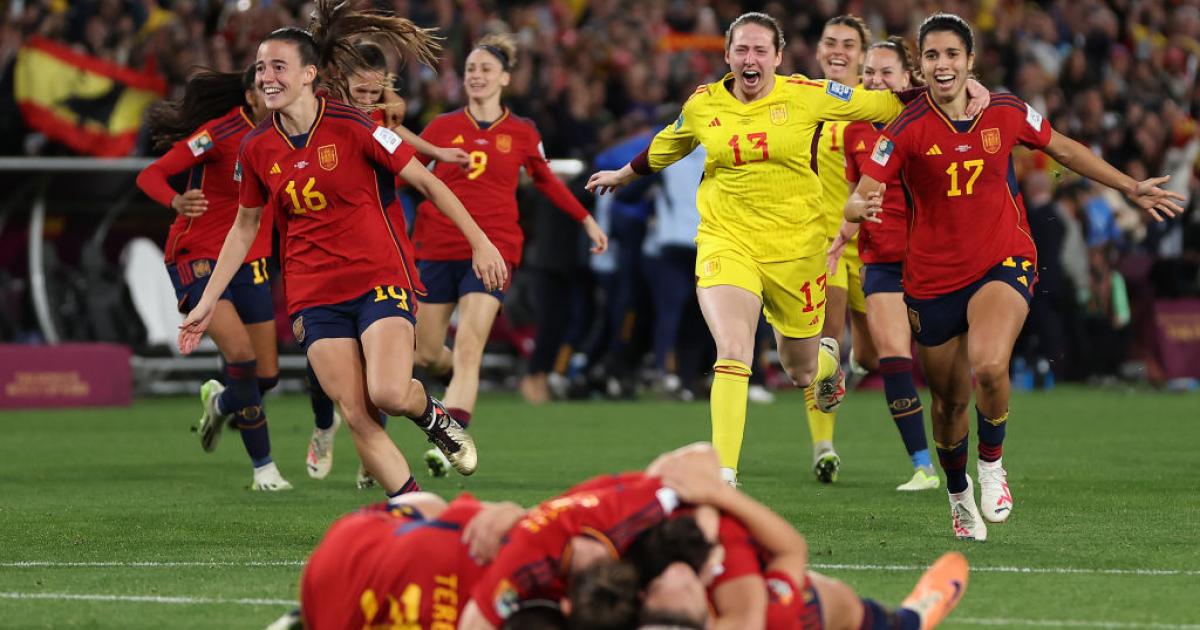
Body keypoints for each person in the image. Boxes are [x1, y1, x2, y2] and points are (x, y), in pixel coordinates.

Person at [845, 13, 1183, 540]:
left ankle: (992, 466)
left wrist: (1130, 186)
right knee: (949, 403)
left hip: (1003, 258)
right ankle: (959, 497)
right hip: (932, 279)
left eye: (952, 55)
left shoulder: (1004, 111)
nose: (943, 65)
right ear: (923, 64)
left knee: (990, 363)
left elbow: (1063, 149)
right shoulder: (905, 127)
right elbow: (864, 188)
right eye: (932, 56)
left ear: (970, 60)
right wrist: (856, 208)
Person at [178, 0, 509, 499]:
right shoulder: (257, 146)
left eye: (278, 66)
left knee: (389, 393)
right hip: (313, 293)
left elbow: (429, 183)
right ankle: (414, 506)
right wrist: (205, 304)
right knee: (356, 411)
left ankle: (430, 412)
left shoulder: (355, 125)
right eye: (262, 67)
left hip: (379, 276)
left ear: (310, 74)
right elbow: (244, 229)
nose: (266, 76)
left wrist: (480, 241)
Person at [587, 11, 928, 487]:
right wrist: (625, 174)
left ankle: (829, 362)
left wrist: (948, 91)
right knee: (733, 349)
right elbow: (672, 140)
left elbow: (884, 106)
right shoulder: (705, 104)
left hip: (797, 249)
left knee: (800, 369)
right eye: (742, 50)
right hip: (727, 240)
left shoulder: (809, 94)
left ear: (778, 58)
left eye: (760, 50)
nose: (751, 59)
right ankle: (723, 472)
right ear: (727, 55)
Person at [411, 32, 608, 473]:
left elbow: (546, 180)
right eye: (470, 70)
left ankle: (451, 441)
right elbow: (405, 174)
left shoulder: (521, 132)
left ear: (505, 78)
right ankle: (455, 381)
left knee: (470, 346)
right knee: (426, 354)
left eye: (485, 69)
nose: (476, 76)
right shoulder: (440, 128)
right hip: (438, 246)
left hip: (495, 248)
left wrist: (586, 219)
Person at [304, 40, 470, 489]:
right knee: (341, 388)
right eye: (361, 89)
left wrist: (434, 154)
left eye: (375, 91)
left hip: (376, 266)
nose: (368, 98)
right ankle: (327, 430)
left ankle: (389, 444)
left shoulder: (369, 121)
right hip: (317, 275)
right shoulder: (302, 118)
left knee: (383, 388)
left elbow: (391, 134)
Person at [137, 65, 292, 491]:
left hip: (253, 263)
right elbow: (149, 174)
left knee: (265, 378)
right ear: (249, 97)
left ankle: (220, 402)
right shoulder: (217, 134)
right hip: (199, 257)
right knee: (240, 358)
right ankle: (265, 469)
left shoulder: (290, 134)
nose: (274, 90)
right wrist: (176, 200)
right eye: (265, 86)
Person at [829, 37, 939, 492]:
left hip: (935, 261)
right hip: (881, 260)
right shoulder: (855, 129)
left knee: (944, 371)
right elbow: (857, 194)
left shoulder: (931, 118)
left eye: (885, 73)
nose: (875, 80)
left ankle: (974, 460)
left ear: (908, 78)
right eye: (869, 72)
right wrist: (840, 240)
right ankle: (922, 467)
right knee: (895, 359)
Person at [805, 15, 876, 483]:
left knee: (870, 356)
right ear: (817, 50)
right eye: (830, 42)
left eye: (848, 44)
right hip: (820, 242)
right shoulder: (799, 100)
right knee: (825, 342)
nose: (838, 51)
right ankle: (823, 446)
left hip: (872, 243)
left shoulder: (875, 106)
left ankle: (856, 364)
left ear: (863, 55)